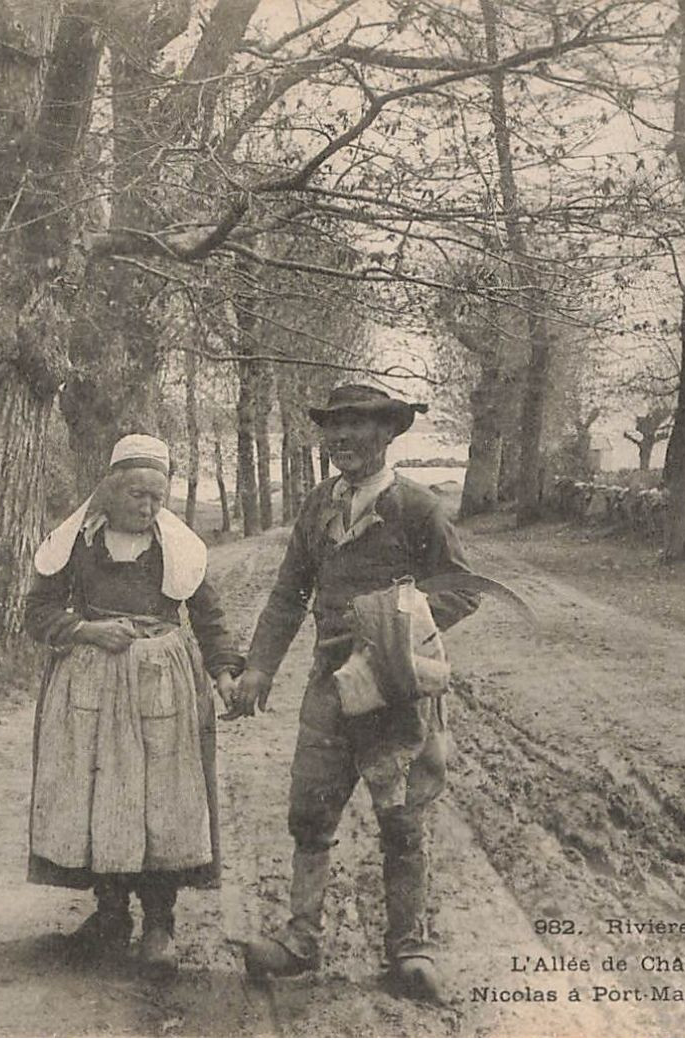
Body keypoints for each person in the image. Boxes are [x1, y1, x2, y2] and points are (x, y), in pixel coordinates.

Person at [229, 383, 479, 1004]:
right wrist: (259, 667)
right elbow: (289, 594)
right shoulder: (318, 507)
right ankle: (299, 940)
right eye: (333, 428)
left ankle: (409, 948)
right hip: (327, 688)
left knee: (401, 818)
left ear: (388, 434)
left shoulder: (418, 509)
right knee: (309, 811)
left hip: (395, 692)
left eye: (357, 427)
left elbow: (464, 589)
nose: (342, 439)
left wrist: (404, 623)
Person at [24, 433, 242, 978]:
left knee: (162, 801)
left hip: (161, 688)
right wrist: (88, 630)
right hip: (91, 688)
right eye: (136, 494)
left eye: (156, 496)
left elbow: (209, 616)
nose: (147, 506)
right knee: (101, 796)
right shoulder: (79, 545)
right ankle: (111, 914)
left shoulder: (178, 550)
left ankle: (160, 924)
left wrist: (225, 671)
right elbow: (39, 612)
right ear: (110, 490)